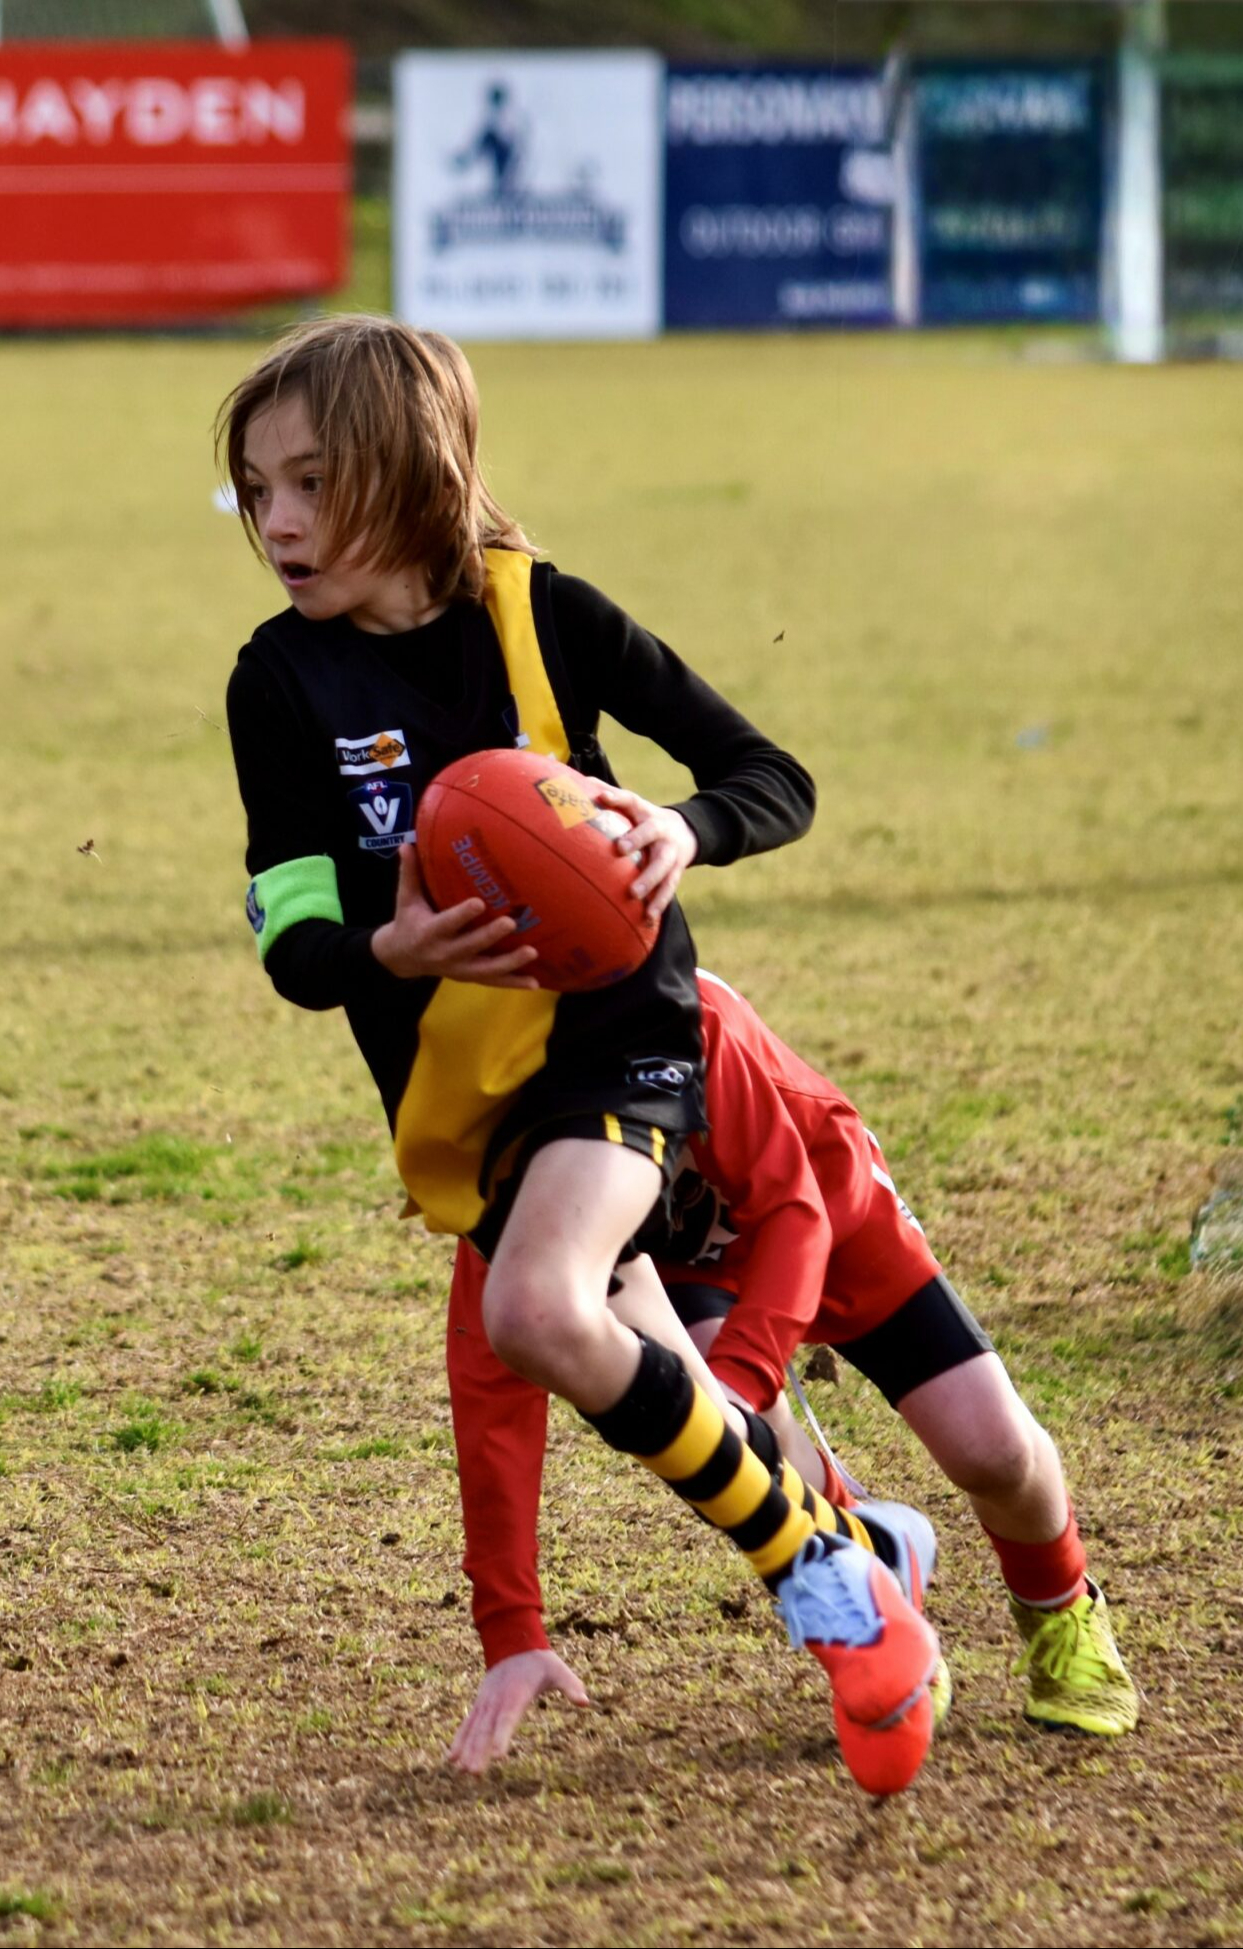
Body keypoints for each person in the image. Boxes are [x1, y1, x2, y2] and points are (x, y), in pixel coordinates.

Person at [217, 314, 941, 1797]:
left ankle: (828, 1587)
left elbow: (769, 776)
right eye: (256, 489)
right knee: (678, 1389)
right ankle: (855, 1551)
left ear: (410, 472)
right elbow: (291, 933)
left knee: (538, 1307)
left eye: (310, 483)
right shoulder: (274, 682)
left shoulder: (540, 612)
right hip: (463, 1103)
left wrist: (683, 826)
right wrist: (384, 952)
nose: (277, 521)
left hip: (618, 1039)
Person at [445, 968, 1138, 1774]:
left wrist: (744, 1375)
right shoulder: (499, 1124)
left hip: (826, 1208)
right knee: (724, 1444)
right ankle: (872, 1579)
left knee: (992, 1451)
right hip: (688, 1266)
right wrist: (511, 1625)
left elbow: (794, 1212)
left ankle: (1059, 1608)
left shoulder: (677, 1020)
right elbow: (495, 1376)